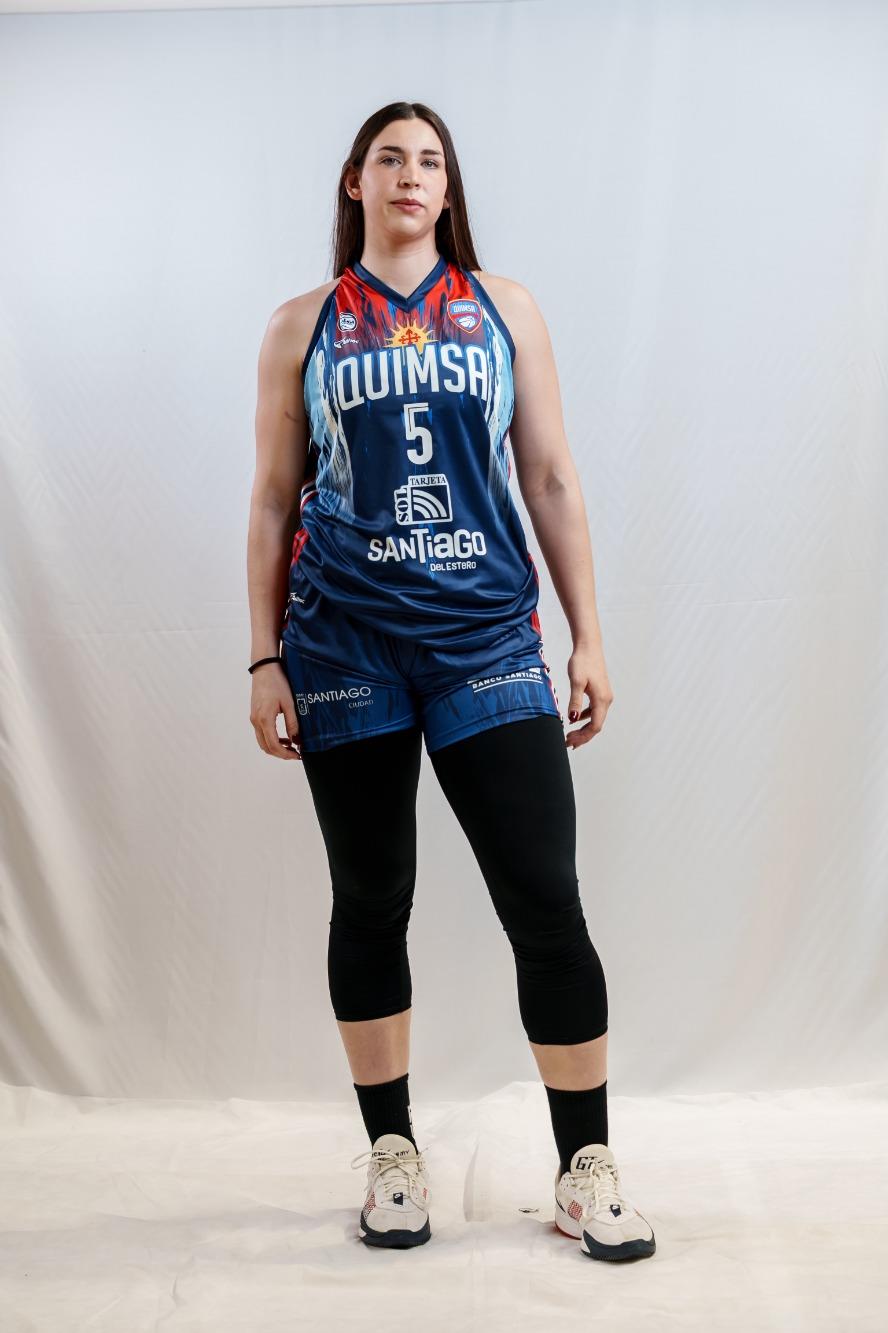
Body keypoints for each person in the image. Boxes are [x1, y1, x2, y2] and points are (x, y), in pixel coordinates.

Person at [246, 100, 655, 1262]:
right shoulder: (302, 326)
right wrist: (266, 655)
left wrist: (588, 635)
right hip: (344, 647)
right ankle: (393, 1152)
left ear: (447, 185)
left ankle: (586, 1166)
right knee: (372, 896)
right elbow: (272, 499)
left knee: (544, 896)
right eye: (390, 158)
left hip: (485, 641)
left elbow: (551, 477)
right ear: (356, 181)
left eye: (429, 160)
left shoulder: (503, 308)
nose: (410, 175)